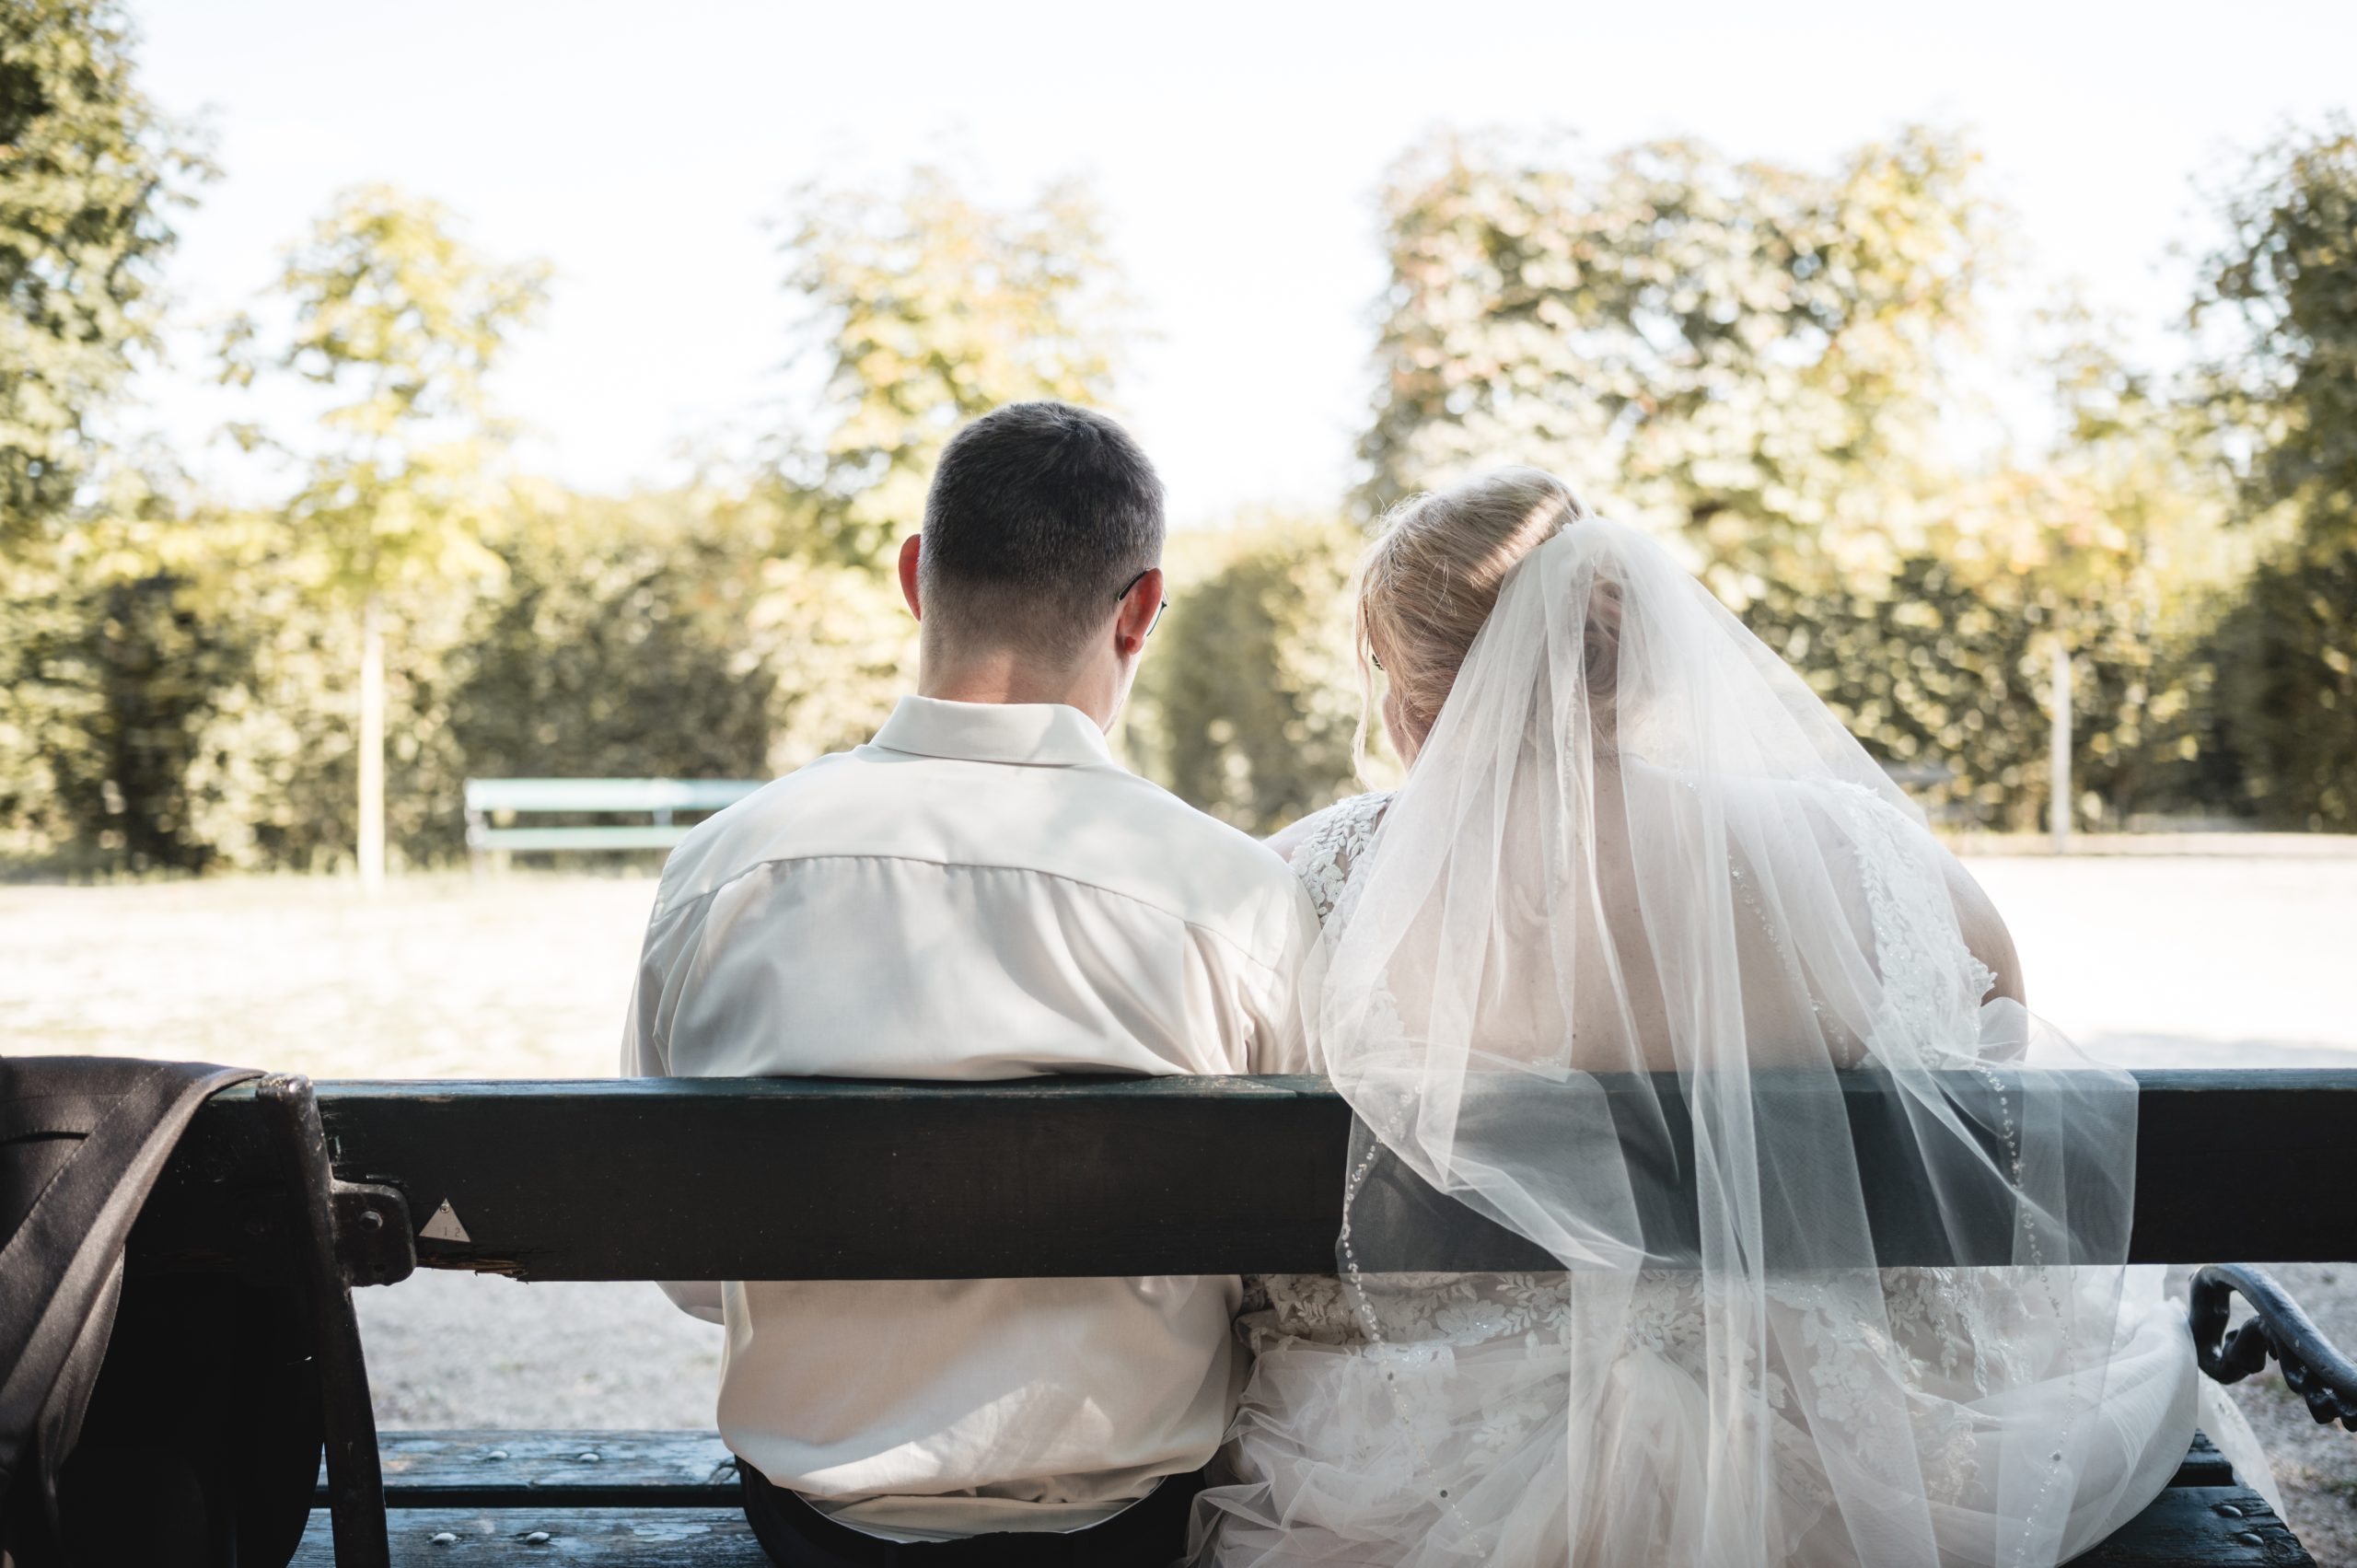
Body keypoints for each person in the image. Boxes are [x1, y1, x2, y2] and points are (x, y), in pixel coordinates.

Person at [1194, 469, 2270, 1566]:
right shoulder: (1879, 863)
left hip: (1422, 1482)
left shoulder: (1295, 884)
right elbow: (1987, 1143)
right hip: (1852, 1464)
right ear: (1631, 647)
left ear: (1408, 695)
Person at [624, 401, 1320, 1566]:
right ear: (1141, 606)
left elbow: (693, 1267)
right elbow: (1283, 1261)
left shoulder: (720, 867)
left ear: (914, 575)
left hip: (813, 1518)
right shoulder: (1234, 894)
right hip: (1131, 1519)